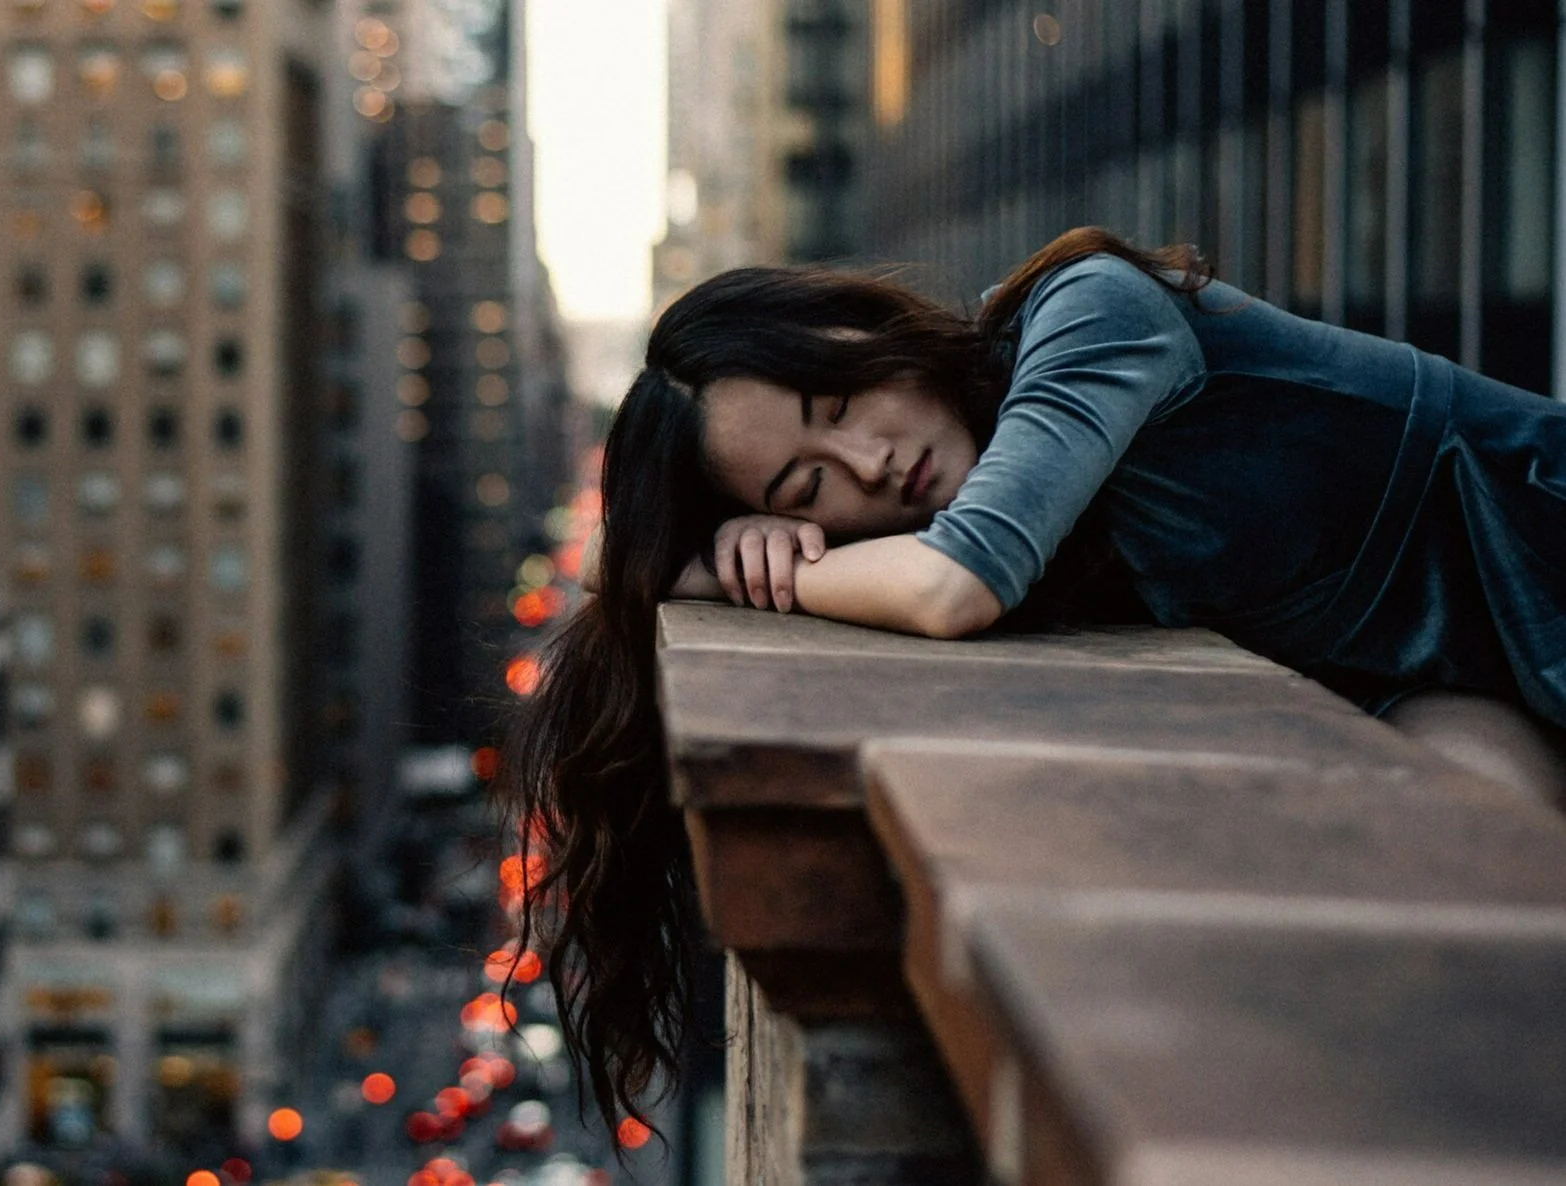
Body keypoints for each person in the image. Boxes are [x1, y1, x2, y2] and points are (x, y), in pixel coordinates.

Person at [501, 225, 1566, 1142]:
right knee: (1460, 906)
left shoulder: (1087, 312)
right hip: (1439, 674)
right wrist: (729, 543)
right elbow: (609, 560)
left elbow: (956, 585)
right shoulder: (997, 498)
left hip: (1539, 561)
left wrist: (745, 563)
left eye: (840, 398)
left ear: (870, 328)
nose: (870, 464)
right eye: (808, 484)